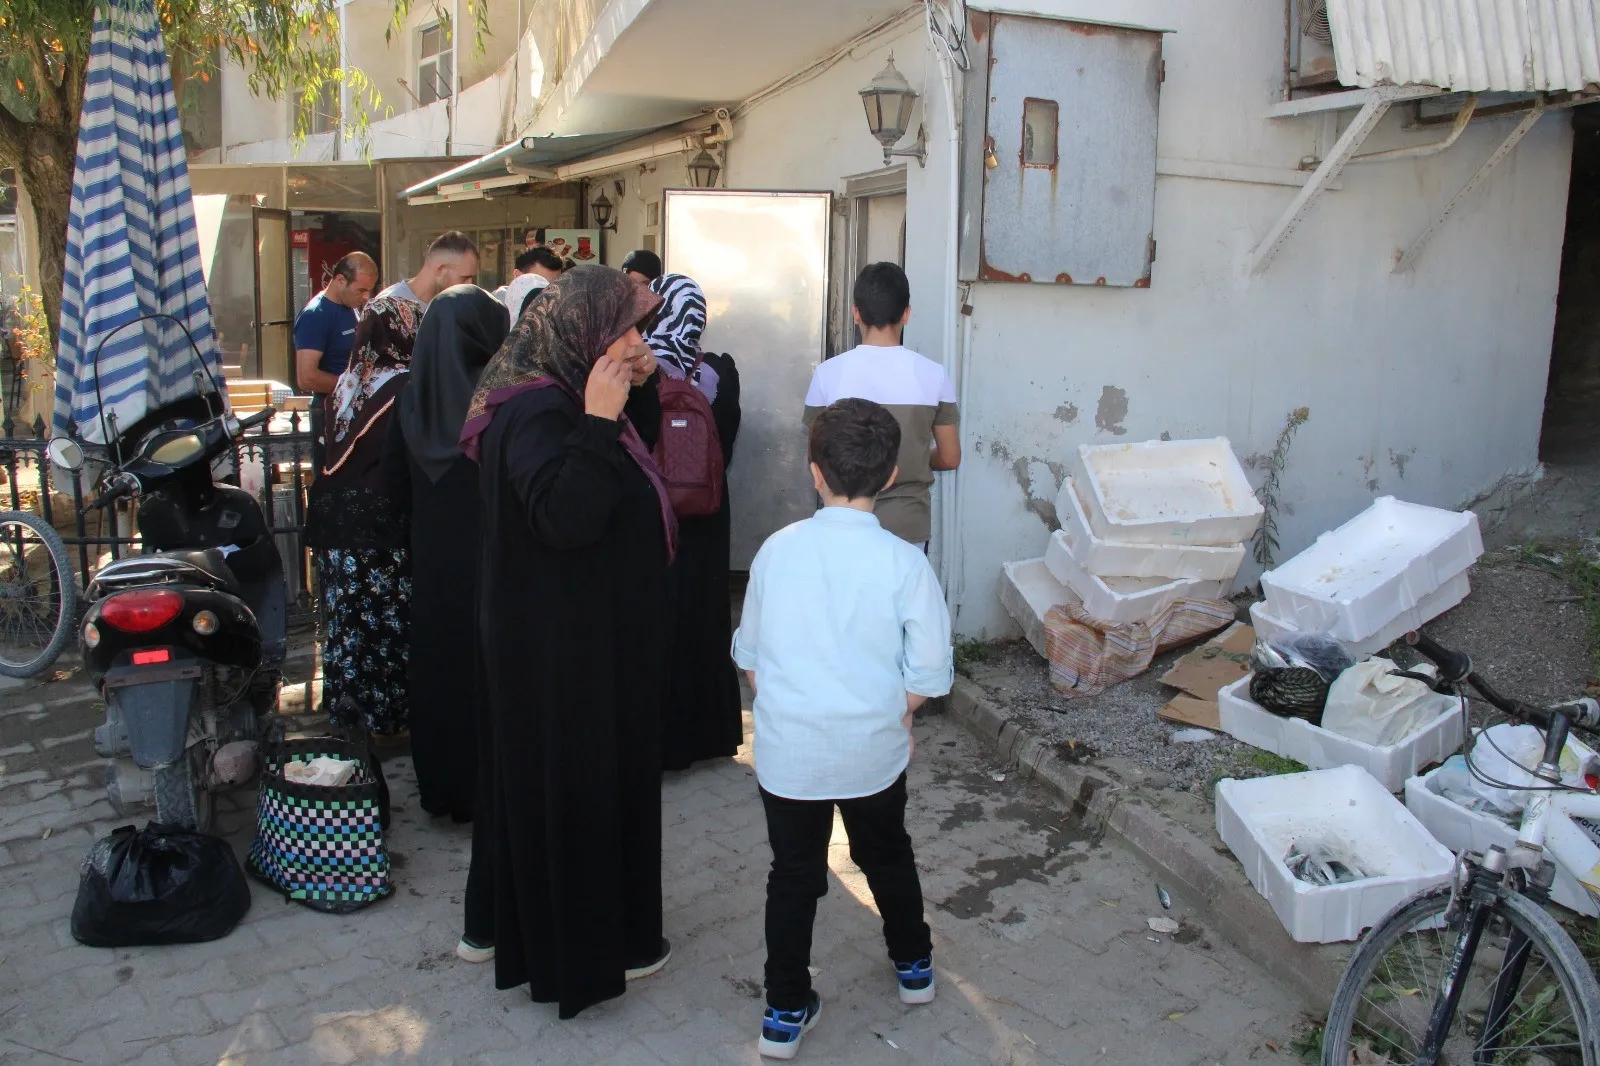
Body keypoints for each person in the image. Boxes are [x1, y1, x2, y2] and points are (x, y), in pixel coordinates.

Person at [459, 264, 673, 1019]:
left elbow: (630, 465)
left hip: (580, 634)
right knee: (575, 790)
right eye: (626, 327)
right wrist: (597, 418)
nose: (638, 340)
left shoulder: (570, 394)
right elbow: (565, 516)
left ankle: (505, 925)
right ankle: (582, 954)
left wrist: (633, 392)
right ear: (584, 333)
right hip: (564, 652)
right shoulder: (540, 413)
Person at [732, 398, 952, 1060]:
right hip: (873, 752)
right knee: (886, 853)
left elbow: (751, 662)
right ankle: (914, 966)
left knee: (793, 875)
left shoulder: (776, 552)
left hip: (789, 756)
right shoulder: (906, 564)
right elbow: (931, 674)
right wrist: (897, 712)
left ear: (813, 472)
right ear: (890, 478)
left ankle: (783, 1011)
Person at [303, 232, 479, 736]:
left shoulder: (363, 383)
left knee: (352, 624)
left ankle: (356, 719)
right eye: (466, 278)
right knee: (378, 622)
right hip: (374, 518)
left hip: (342, 512)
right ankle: (379, 723)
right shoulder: (402, 389)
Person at [389, 285, 508, 825]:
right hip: (495, 562)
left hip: (434, 562)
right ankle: (489, 791)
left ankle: (442, 787)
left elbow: (394, 487)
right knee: (488, 671)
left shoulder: (409, 398)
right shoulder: (502, 401)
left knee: (439, 665)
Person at [643, 273, 743, 771]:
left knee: (656, 620)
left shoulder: (634, 369)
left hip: (652, 513)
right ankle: (707, 734)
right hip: (707, 510)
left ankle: (659, 740)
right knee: (704, 616)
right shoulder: (720, 372)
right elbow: (727, 443)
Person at [801, 263, 961, 551]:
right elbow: (949, 458)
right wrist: (909, 457)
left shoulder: (827, 374)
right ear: (906, 314)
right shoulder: (934, 375)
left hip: (842, 521)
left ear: (856, 313)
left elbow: (815, 456)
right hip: (908, 523)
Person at [294, 252, 379, 472]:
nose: (366, 297)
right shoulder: (316, 314)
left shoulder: (351, 309)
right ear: (340, 280)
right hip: (329, 413)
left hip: (354, 410)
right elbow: (306, 377)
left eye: (370, 290)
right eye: (360, 290)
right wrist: (354, 386)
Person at [494, 248, 553, 321]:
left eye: (554, 286)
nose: (549, 292)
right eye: (539, 282)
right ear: (518, 276)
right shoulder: (494, 307)